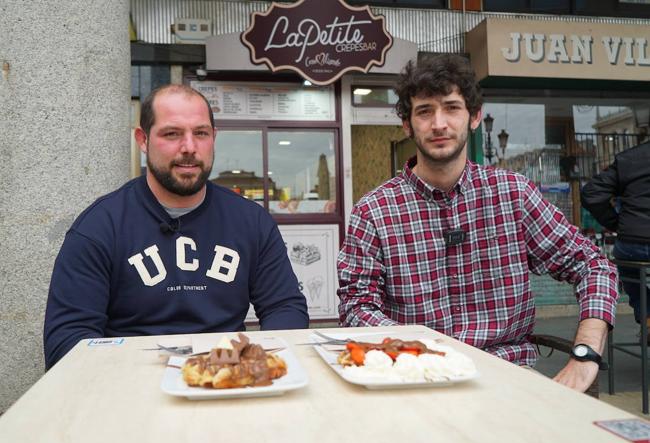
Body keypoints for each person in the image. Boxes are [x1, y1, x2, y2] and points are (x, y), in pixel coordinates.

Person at [337, 54, 618, 392]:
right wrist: (417, 352)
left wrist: (586, 355)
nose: (439, 123)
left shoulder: (513, 195)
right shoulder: (374, 211)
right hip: (414, 379)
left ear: (474, 117)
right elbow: (357, 304)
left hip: (510, 378)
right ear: (407, 125)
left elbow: (593, 265)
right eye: (425, 111)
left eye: (452, 107)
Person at [44, 84, 308, 369]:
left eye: (201, 133)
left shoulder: (251, 221)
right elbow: (67, 337)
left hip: (225, 379)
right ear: (142, 140)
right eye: (172, 134)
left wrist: (254, 365)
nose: (189, 148)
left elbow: (286, 307)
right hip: (131, 385)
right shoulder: (100, 225)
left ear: (213, 138)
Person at [582, 141, 650, 331]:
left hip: (632, 242)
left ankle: (648, 315)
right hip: (631, 236)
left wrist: (617, 224)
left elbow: (590, 193)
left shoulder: (631, 158)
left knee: (630, 272)